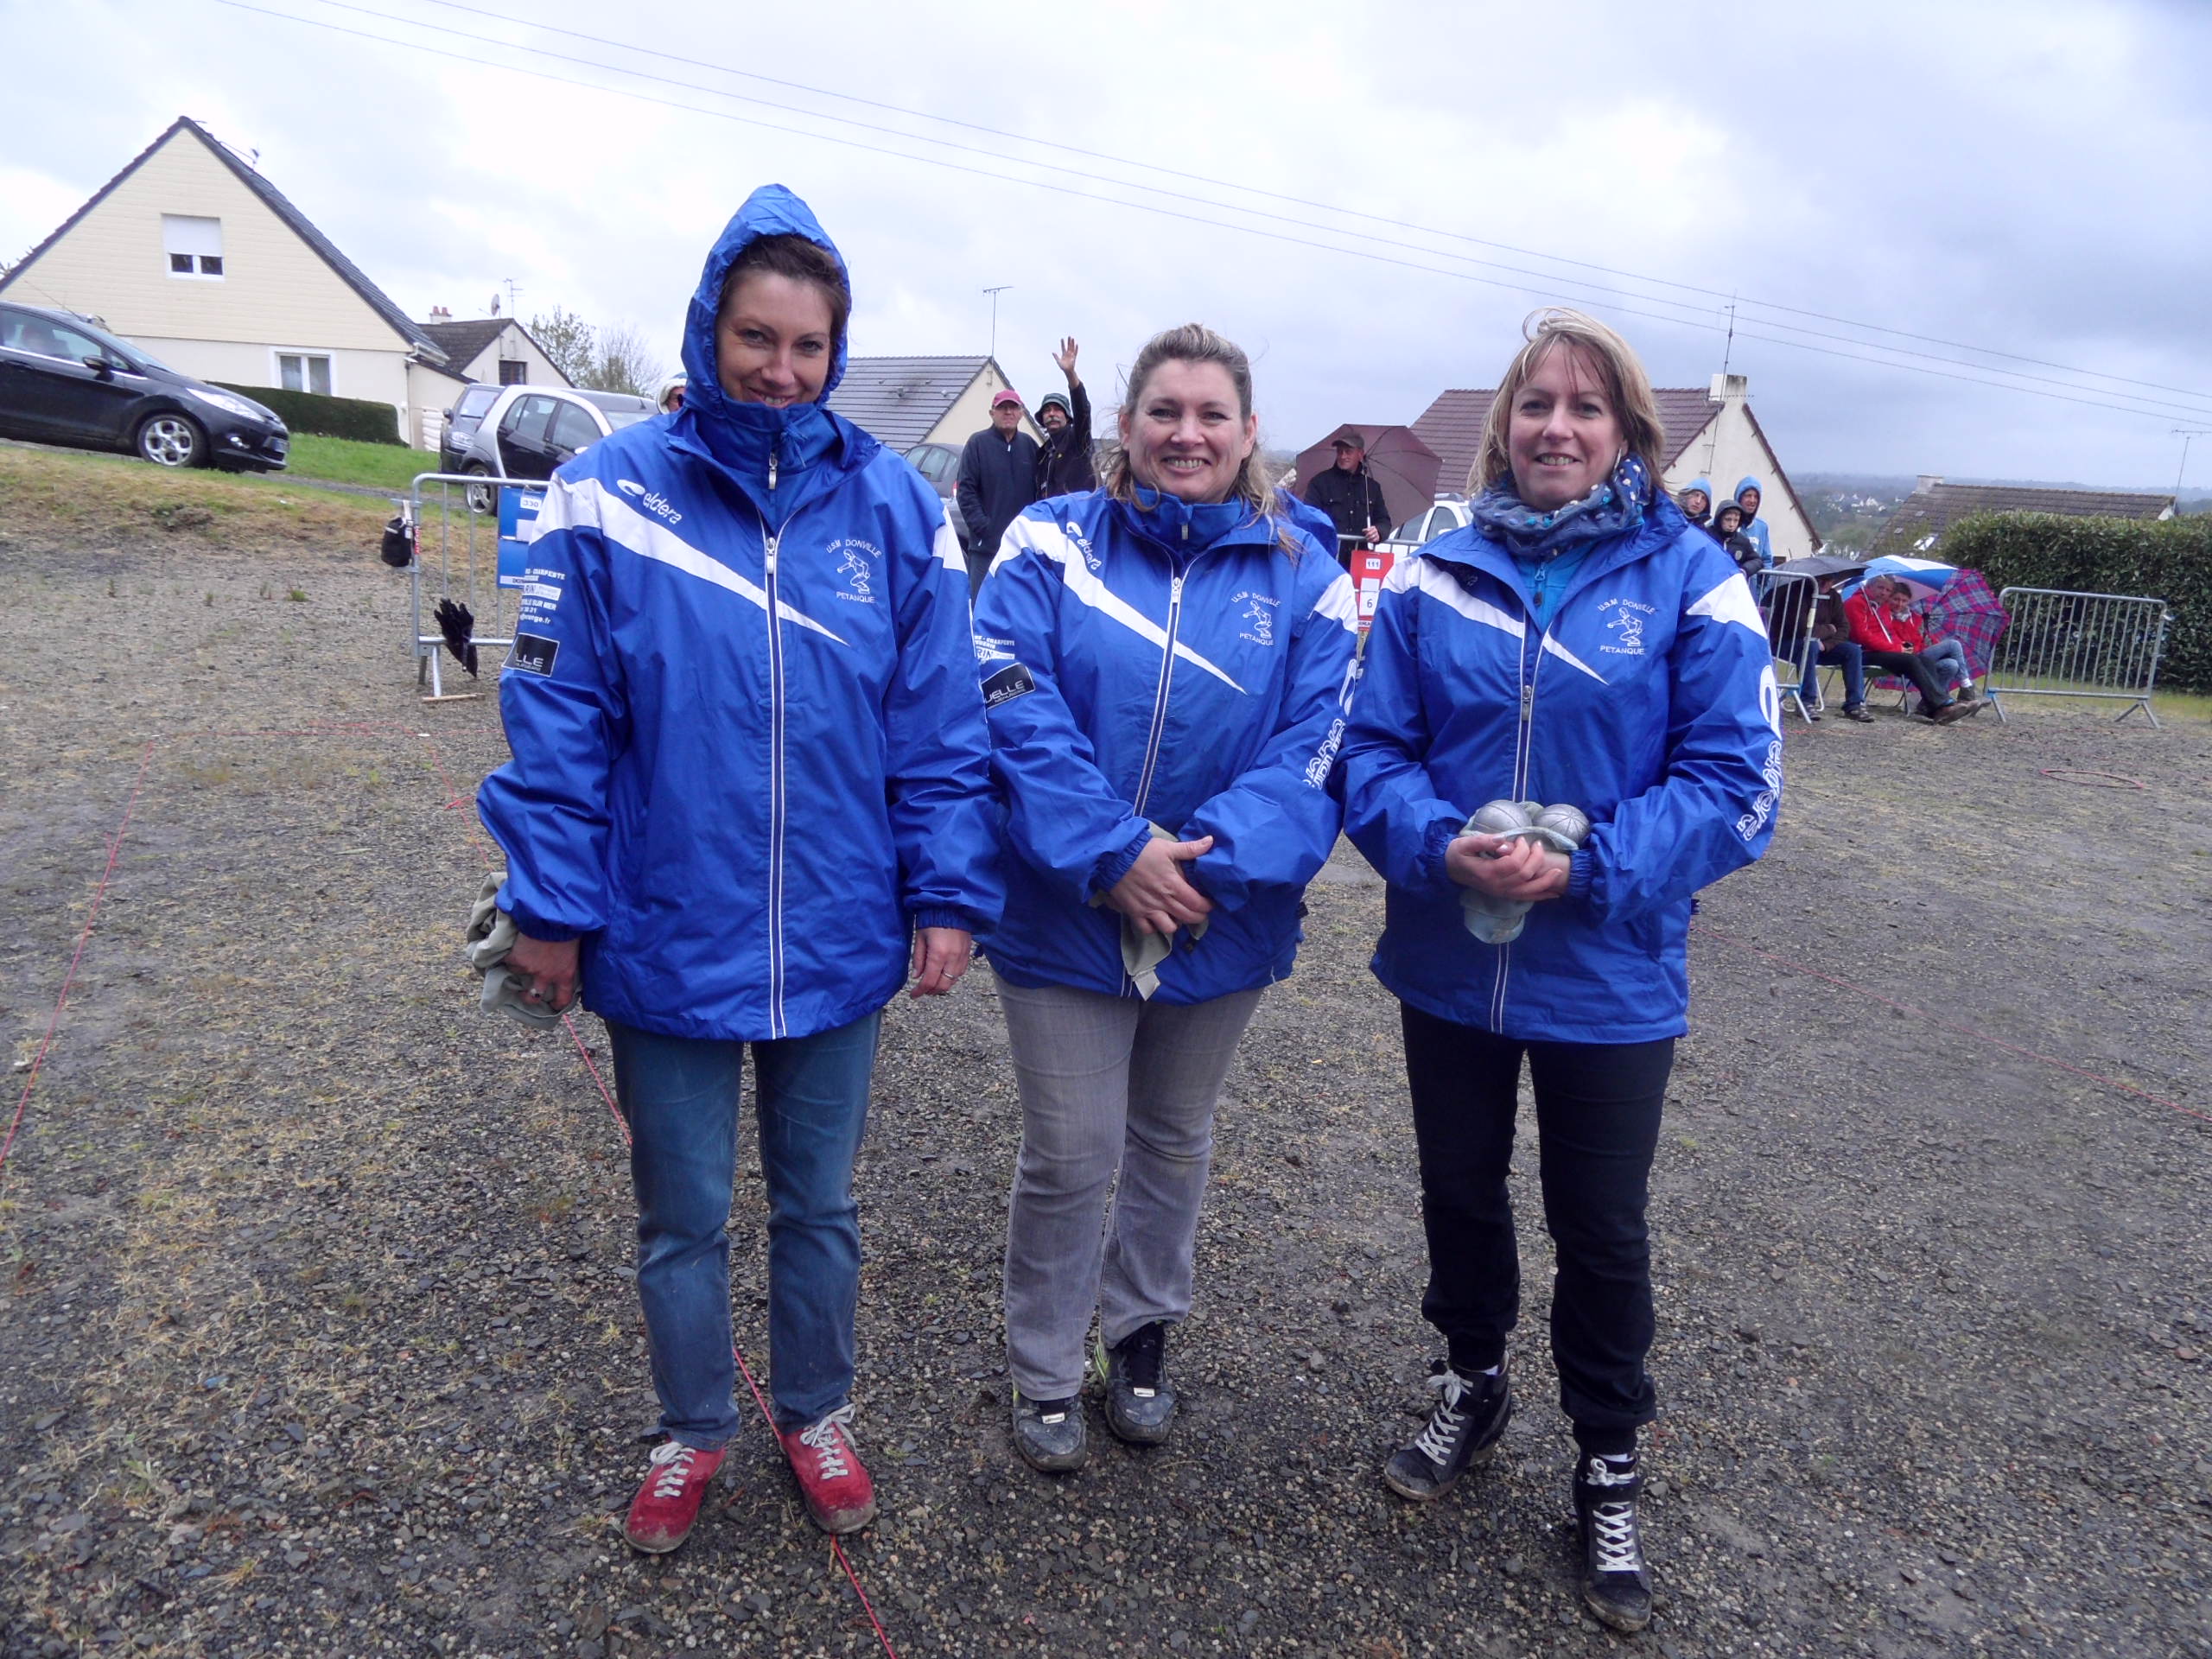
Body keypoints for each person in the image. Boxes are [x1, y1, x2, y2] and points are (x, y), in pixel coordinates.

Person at [476, 185, 1001, 1557]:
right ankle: (692, 1426)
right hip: (666, 932)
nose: (780, 368)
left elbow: (938, 721)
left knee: (820, 1205)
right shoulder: (607, 492)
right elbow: (558, 721)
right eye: (755, 336)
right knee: (683, 1217)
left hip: (835, 938)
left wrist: (948, 890)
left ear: (838, 350)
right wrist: (550, 909)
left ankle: (815, 1410)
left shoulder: (895, 508)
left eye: (808, 345)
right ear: (710, 328)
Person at [1338, 308, 1782, 1635]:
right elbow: (1370, 754)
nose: (1557, 429)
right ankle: (1472, 1378)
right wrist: (1434, 842)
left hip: (1611, 974)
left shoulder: (1694, 577)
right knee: (1460, 1197)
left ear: (1627, 433)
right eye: (1537, 405)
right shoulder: (1437, 572)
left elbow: (1738, 785)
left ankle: (1608, 1453)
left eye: (1586, 409)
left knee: (1601, 1229)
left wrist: (1584, 865)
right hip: (1450, 965)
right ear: (1505, 426)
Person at [973, 322, 1359, 1476]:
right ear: (1126, 428)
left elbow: (1319, 751)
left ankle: (1139, 1339)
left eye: (1211, 415)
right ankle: (1044, 1367)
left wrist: (1199, 865)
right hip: (1059, 908)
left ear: (1249, 435)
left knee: (1174, 1138)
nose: (1186, 434)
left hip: (1216, 916)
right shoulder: (1048, 540)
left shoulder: (1314, 581)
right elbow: (1004, 696)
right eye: (1164, 412)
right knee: (1072, 1152)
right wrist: (1109, 851)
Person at [1844, 575, 1975, 722]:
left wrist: (1907, 646)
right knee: (1916, 658)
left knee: (1931, 661)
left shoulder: (1880, 607)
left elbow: (1898, 637)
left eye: (1888, 590)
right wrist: (1897, 648)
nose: (1884, 592)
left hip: (1886, 651)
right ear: (1869, 586)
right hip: (1862, 652)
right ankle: (1942, 704)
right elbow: (1862, 636)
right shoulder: (1857, 603)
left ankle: (1933, 708)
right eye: (1880, 587)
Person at [957, 389, 1042, 593]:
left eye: (1013, 408)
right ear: (992, 413)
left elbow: (1039, 492)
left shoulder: (1029, 446)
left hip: (1020, 550)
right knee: (981, 611)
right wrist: (986, 529)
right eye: (1002, 408)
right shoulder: (977, 443)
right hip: (985, 550)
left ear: (1021, 413)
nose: (1008, 413)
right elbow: (966, 491)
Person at [1303, 433, 1395, 567]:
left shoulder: (1372, 488)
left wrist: (1378, 532)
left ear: (1360, 454)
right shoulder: (1320, 482)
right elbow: (1308, 517)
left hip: (1360, 562)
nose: (1343, 456)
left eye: (1348, 452)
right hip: (1327, 559)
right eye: (1340, 452)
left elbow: (1384, 521)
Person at [1796, 573, 1876, 721]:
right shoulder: (1797, 594)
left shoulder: (1834, 597)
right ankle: (1806, 701)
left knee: (1852, 650)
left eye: (1830, 580)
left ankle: (1855, 704)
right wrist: (1829, 629)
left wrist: (1827, 645)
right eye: (1821, 579)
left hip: (1821, 646)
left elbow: (1844, 628)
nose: (1826, 584)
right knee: (1810, 644)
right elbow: (1801, 628)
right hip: (1790, 644)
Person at [1034, 335, 1096, 497]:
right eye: (1047, 411)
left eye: (1057, 409)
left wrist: (1070, 374)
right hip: (1050, 519)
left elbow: (1082, 410)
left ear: (1068, 417)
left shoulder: (1078, 440)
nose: (1052, 414)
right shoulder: (1042, 455)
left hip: (1078, 518)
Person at [1712, 502, 1761, 577]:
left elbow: (1757, 561)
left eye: (1736, 520)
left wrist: (1744, 570)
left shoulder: (1742, 541)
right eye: (1728, 519)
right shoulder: (1707, 535)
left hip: (1730, 584)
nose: (1732, 524)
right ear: (1719, 519)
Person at [1732, 477, 1773, 567]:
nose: (1752, 500)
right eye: (1748, 495)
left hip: (1753, 580)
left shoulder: (1762, 527)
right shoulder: (1724, 522)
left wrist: (1766, 578)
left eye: (1756, 497)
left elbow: (1767, 560)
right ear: (1739, 497)